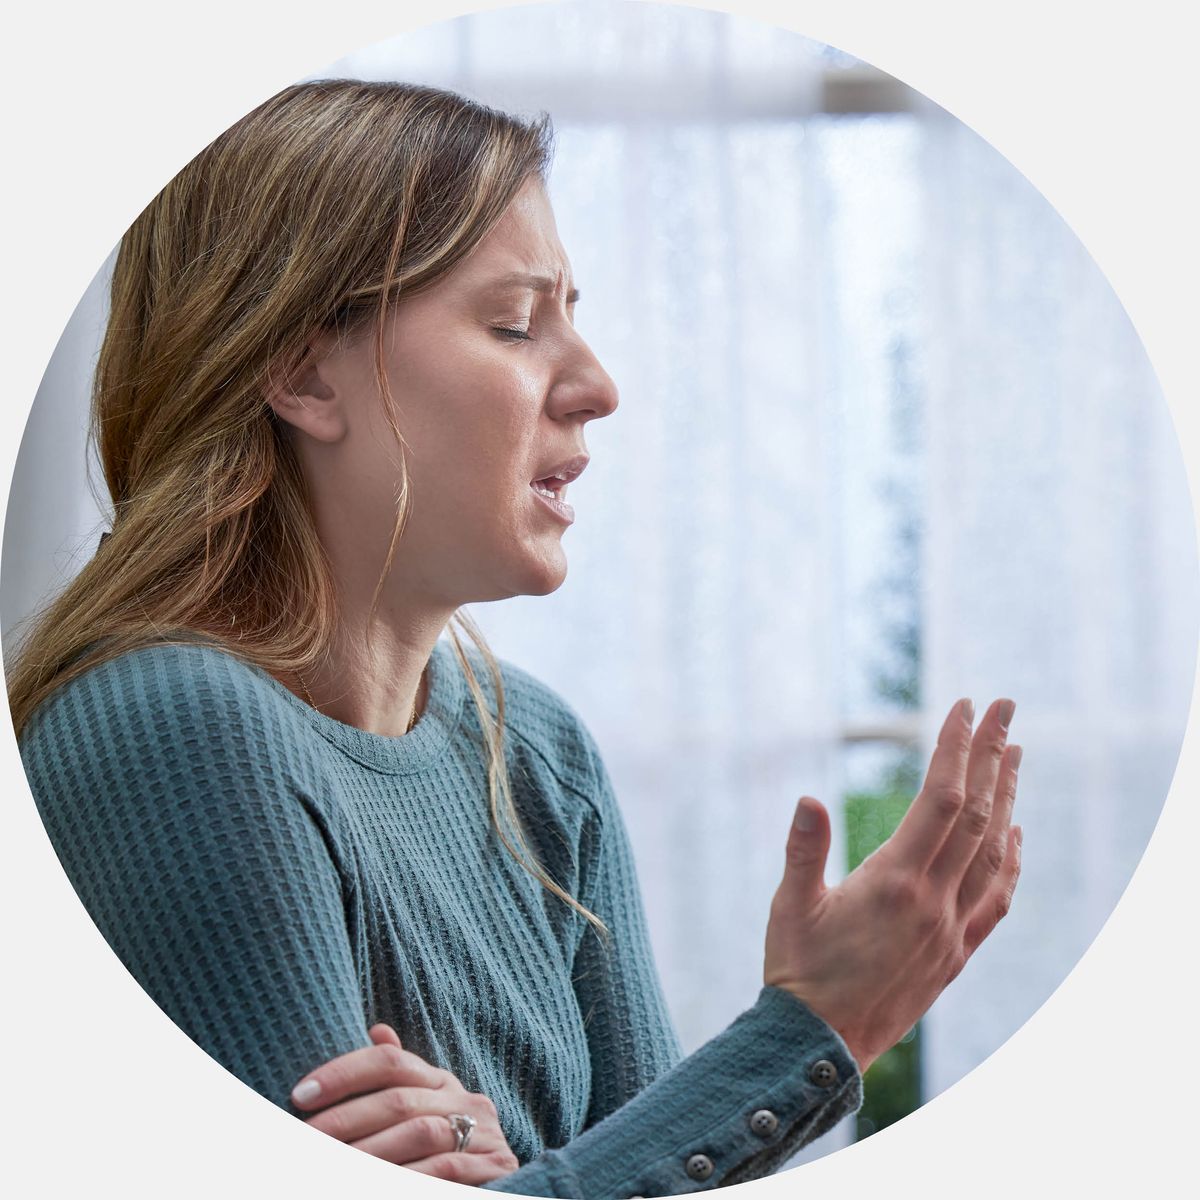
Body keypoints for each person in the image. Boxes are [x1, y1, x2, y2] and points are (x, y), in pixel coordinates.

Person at [9, 80, 1023, 1197]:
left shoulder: (539, 755)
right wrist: (816, 1024)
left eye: (573, 316)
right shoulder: (167, 730)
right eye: (512, 322)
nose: (595, 386)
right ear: (302, 372)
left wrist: (524, 1175)